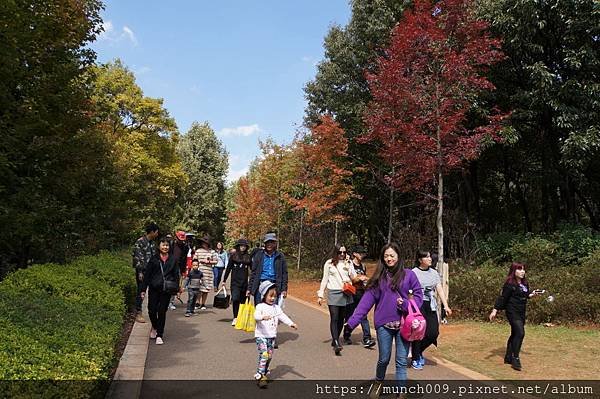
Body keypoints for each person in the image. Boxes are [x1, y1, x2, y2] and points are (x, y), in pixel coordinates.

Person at [345, 243, 423, 398]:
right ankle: (378, 382)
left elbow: (419, 297)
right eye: (386, 256)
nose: (389, 258)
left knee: (401, 360)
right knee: (384, 358)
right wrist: (352, 322)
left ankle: (401, 392)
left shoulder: (409, 275)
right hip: (384, 326)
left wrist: (406, 304)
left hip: (404, 324)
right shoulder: (379, 277)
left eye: (392, 255)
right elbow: (365, 302)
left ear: (398, 256)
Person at [489, 262, 543, 371]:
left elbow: (525, 295)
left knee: (515, 333)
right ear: (514, 271)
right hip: (512, 311)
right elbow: (502, 298)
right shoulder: (509, 284)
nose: (522, 271)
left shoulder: (524, 283)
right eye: (519, 269)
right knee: (520, 333)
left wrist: (533, 294)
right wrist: (494, 310)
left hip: (521, 311)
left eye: (523, 269)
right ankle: (515, 358)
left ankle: (508, 357)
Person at [410, 250, 452, 370]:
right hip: (418, 305)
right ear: (420, 260)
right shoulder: (413, 273)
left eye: (430, 257)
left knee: (433, 333)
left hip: (431, 305)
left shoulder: (434, 273)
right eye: (427, 257)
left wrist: (446, 306)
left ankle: (417, 351)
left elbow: (439, 289)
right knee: (419, 332)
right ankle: (416, 358)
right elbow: (408, 291)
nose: (430, 259)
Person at [253, 281, 297, 388]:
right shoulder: (260, 306)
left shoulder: (276, 308)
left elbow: (282, 316)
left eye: (275, 296)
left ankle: (264, 370)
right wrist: (262, 317)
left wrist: (291, 323)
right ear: (264, 295)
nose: (273, 298)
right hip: (261, 336)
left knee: (269, 356)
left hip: (272, 337)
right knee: (264, 354)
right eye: (270, 296)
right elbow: (256, 316)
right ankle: (260, 375)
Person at [317, 244, 359, 355]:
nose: (342, 254)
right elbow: (324, 279)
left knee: (341, 318)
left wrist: (349, 265)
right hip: (333, 292)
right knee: (334, 317)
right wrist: (320, 294)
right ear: (335, 252)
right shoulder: (329, 263)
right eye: (340, 252)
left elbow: (353, 277)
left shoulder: (348, 263)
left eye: (344, 252)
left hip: (345, 293)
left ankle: (336, 337)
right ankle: (336, 342)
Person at [141, 237, 180, 345]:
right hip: (154, 288)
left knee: (162, 311)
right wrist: (143, 289)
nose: (165, 247)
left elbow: (176, 274)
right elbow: (147, 275)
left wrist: (177, 288)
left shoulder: (173, 259)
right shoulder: (154, 259)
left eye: (167, 245)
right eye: (163, 244)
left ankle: (159, 334)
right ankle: (154, 325)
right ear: (159, 246)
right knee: (151, 310)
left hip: (166, 289)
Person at [342, 245, 376, 348]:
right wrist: (360, 278)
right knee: (350, 314)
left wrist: (366, 281)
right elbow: (351, 279)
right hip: (351, 292)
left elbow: (364, 279)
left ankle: (367, 339)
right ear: (355, 254)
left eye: (363, 253)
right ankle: (347, 334)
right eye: (360, 253)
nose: (362, 255)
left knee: (363, 315)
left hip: (361, 293)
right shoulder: (349, 264)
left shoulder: (363, 266)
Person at [248, 233, 288, 309]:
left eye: (271, 242)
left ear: (275, 244)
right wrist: (249, 288)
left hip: (274, 286)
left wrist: (284, 289)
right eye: (267, 242)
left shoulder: (280, 256)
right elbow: (253, 272)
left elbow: (284, 274)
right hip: (260, 285)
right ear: (265, 244)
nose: (269, 244)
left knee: (272, 310)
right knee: (260, 309)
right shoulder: (259, 255)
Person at [132, 222, 159, 323]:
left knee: (153, 291)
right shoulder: (140, 242)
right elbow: (137, 258)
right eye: (156, 232)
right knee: (141, 292)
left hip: (152, 272)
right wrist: (139, 272)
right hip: (143, 272)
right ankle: (138, 313)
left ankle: (152, 310)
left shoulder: (152, 243)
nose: (157, 234)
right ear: (152, 232)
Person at [221, 238, 252, 325]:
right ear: (238, 246)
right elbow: (228, 269)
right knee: (235, 299)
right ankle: (235, 317)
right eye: (241, 245)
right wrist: (224, 280)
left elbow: (253, 270)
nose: (243, 247)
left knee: (244, 301)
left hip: (245, 283)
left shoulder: (248, 257)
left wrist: (253, 281)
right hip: (235, 282)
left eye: (244, 246)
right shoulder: (233, 256)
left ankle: (242, 318)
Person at [193, 236, 216, 309]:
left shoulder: (212, 252)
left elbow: (216, 261)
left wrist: (208, 262)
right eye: (203, 242)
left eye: (206, 243)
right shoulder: (198, 251)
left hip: (208, 271)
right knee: (199, 288)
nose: (204, 244)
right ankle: (197, 302)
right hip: (199, 271)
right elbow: (194, 260)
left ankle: (203, 303)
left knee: (206, 289)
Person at [169, 230, 189, 310]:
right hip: (169, 267)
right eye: (179, 239)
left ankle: (171, 302)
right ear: (176, 238)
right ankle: (164, 301)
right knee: (167, 284)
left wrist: (183, 271)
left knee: (175, 286)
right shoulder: (171, 244)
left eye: (182, 240)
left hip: (179, 268)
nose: (181, 241)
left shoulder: (185, 247)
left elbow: (184, 260)